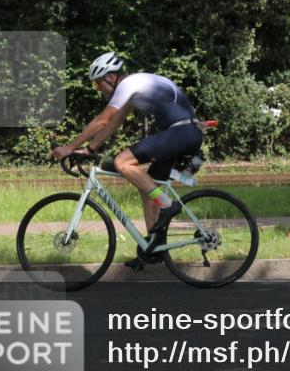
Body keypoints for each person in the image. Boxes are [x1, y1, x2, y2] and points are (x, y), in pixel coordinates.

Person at [50, 51, 203, 269]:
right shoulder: (134, 88)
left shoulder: (128, 84)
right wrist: (89, 148)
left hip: (180, 132)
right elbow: (113, 124)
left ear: (110, 77)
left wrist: (69, 147)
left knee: (123, 163)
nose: (98, 89)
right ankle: (153, 248)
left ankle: (167, 206)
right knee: (148, 187)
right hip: (184, 133)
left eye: (97, 84)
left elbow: (102, 120)